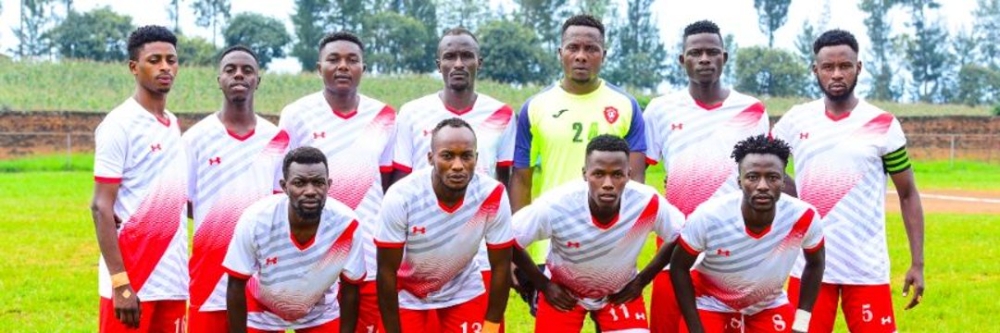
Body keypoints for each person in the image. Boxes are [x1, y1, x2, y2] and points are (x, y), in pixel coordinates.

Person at [772, 29, 925, 333]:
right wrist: (796, 198)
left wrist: (917, 263)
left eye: (845, 66)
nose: (837, 74)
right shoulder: (795, 120)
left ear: (859, 67)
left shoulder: (882, 124)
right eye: (828, 67)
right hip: (807, 266)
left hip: (866, 267)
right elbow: (763, 166)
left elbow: (907, 194)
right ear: (815, 70)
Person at [511, 14, 648, 311]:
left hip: (612, 246)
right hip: (551, 247)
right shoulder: (534, 108)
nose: (582, 56)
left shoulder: (627, 106)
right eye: (573, 48)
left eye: (591, 48)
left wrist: (629, 245)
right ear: (560, 53)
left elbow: (637, 181)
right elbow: (521, 178)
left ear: (604, 55)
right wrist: (517, 247)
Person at [642, 20, 771, 333]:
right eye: (695, 52)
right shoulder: (660, 110)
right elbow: (638, 176)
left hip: (734, 244)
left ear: (724, 58)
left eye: (712, 52)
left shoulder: (752, 110)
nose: (704, 59)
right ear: (681, 59)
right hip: (675, 241)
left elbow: (765, 176)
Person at [391, 27, 516, 331]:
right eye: (450, 56)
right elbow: (398, 184)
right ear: (439, 64)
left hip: (479, 255)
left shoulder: (502, 114)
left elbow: (505, 183)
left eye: (466, 56)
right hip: (422, 258)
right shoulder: (411, 112)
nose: (458, 63)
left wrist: (508, 250)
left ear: (479, 62)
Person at [278, 31, 396, 333]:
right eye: (334, 59)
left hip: (368, 250)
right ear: (319, 68)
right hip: (313, 253)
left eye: (351, 60)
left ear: (363, 69)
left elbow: (387, 183)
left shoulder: (384, 116)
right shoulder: (296, 114)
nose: (343, 66)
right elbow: (281, 188)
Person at [511, 134, 684, 332]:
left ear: (628, 174)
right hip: (563, 292)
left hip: (619, 292)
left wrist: (642, 281)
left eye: (617, 174)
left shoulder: (647, 202)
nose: (608, 183)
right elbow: (508, 238)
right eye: (599, 174)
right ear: (585, 174)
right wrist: (543, 284)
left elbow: (682, 236)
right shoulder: (557, 205)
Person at [670, 134, 825, 333]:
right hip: (711, 303)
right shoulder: (709, 216)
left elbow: (816, 263)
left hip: (768, 305)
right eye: (752, 177)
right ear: (739, 181)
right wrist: (695, 328)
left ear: (783, 180)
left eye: (772, 177)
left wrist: (801, 323)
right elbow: (678, 267)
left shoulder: (803, 216)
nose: (762, 186)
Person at [184, 45, 290, 333]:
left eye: (247, 70)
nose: (239, 75)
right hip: (210, 271)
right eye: (230, 70)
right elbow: (186, 203)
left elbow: (279, 204)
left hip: (262, 273)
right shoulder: (195, 138)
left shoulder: (276, 139)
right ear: (219, 79)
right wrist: (219, 222)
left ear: (258, 79)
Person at [90, 25, 188, 332]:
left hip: (172, 280)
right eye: (154, 60)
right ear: (134, 67)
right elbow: (100, 207)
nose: (165, 67)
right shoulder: (118, 125)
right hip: (132, 282)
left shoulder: (171, 123)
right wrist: (120, 284)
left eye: (171, 60)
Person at [375, 118, 513, 333]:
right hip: (408, 293)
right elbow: (386, 271)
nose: (457, 166)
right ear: (431, 158)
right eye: (447, 156)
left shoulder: (492, 194)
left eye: (466, 156)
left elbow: (502, 265)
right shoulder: (402, 196)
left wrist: (491, 327)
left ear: (476, 158)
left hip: (463, 288)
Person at [223, 146, 365, 333]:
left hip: (320, 312)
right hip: (262, 312)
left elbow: (350, 289)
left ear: (328, 184)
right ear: (284, 186)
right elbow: (235, 284)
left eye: (318, 183)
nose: (310, 191)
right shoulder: (256, 221)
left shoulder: (347, 224)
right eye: (299, 183)